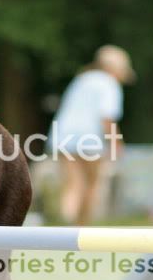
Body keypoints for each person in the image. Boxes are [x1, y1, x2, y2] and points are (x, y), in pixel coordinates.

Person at [48, 45, 136, 225]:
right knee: (92, 185)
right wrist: (116, 144)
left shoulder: (82, 78)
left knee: (73, 185)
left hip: (63, 135)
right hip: (90, 138)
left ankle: (66, 225)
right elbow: (107, 119)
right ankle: (81, 227)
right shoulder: (109, 84)